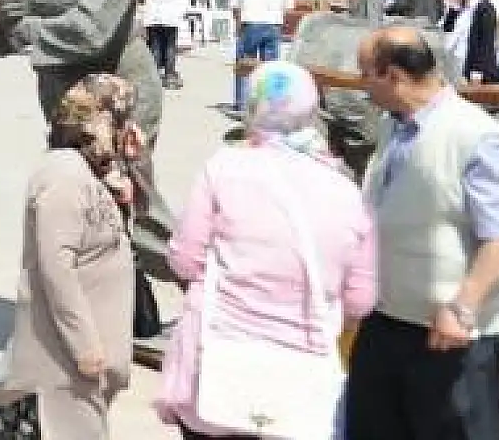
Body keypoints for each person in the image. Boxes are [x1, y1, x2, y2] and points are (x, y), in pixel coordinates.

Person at [0, 0, 175, 342]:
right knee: (81, 214)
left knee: (132, 206)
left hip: (118, 100)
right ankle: (113, 315)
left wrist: (25, 27)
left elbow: (91, 29)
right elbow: (13, 18)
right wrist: (5, 25)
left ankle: (210, 280)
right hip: (65, 105)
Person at [157, 61, 377, 439]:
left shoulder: (223, 169)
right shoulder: (347, 192)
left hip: (218, 363)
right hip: (300, 375)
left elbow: (185, 259)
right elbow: (360, 300)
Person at [345, 27, 499, 440]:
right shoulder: (392, 127)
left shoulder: (475, 135)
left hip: (451, 338)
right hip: (386, 324)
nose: (361, 85)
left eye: (367, 75)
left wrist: (464, 305)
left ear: (394, 75)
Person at [0, 75, 139, 440]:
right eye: (121, 119)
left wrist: (128, 173)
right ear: (95, 125)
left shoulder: (92, 174)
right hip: (65, 366)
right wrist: (84, 345)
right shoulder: (63, 177)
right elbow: (56, 269)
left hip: (81, 369)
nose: (130, 128)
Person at [230, 0, 295, 110]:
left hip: (250, 23)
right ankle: (271, 106)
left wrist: (238, 26)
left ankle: (242, 105)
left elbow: (235, 6)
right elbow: (289, 7)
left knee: (245, 64)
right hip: (273, 25)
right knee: (271, 67)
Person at [139, 0, 188, 90]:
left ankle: (154, 76)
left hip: (154, 13)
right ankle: (169, 76)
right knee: (170, 46)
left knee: (155, 46)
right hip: (171, 14)